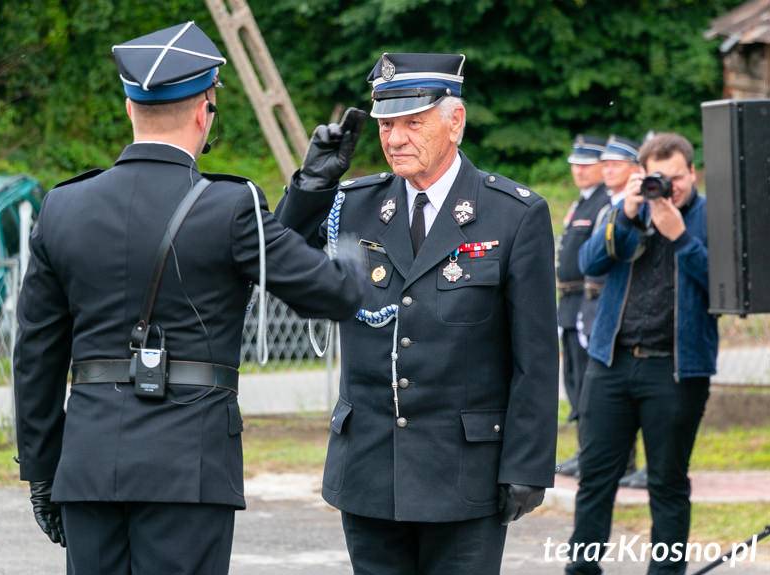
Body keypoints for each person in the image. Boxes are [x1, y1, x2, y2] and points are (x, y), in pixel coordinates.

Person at [14, 21, 364, 575]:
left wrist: (41, 470)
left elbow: (35, 356)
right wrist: (356, 251)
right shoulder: (229, 207)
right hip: (189, 468)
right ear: (205, 112)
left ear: (131, 109)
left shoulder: (63, 207)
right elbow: (328, 290)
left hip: (87, 467)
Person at [276, 52, 559, 575]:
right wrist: (310, 187)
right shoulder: (353, 205)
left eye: (413, 122)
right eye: (386, 124)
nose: (395, 139)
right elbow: (276, 260)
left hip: (465, 473)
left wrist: (528, 463)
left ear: (456, 122)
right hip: (370, 469)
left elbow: (536, 355)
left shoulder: (513, 214)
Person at [567, 133, 718, 575]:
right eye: (659, 179)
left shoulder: (713, 216)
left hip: (675, 368)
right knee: (595, 479)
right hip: (611, 362)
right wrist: (629, 214)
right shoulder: (625, 210)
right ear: (642, 177)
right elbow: (589, 264)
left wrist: (682, 237)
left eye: (677, 179)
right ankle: (581, 569)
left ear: (693, 173)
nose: (669, 188)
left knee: (667, 484)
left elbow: (724, 290)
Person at [584, 134, 646, 489]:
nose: (606, 169)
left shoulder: (638, 206)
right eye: (603, 164)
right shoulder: (609, 207)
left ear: (636, 170)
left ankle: (630, 462)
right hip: (598, 306)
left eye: (615, 164)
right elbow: (588, 260)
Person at [556, 135, 609, 479]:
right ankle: (584, 450)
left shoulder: (605, 202)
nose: (580, 171)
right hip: (569, 300)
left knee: (593, 385)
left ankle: (602, 455)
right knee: (574, 382)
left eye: (587, 165)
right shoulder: (580, 203)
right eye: (576, 165)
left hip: (589, 301)